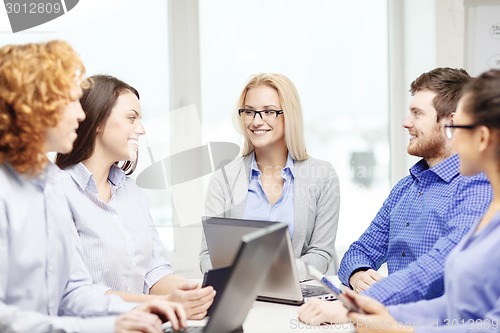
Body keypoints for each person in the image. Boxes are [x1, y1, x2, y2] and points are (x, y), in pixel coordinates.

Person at [0, 40, 186, 333]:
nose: (81, 114)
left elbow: (72, 290)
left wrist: (139, 309)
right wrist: (107, 326)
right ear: (35, 104)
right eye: (70, 101)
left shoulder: (47, 184)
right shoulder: (14, 191)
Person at [298, 67, 493, 324]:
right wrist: (358, 274)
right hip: (395, 318)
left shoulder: (475, 188)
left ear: (451, 123)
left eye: (417, 113)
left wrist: (361, 306)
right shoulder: (405, 187)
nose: (406, 122)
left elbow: (437, 267)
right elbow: (359, 251)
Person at [55, 75, 215, 320]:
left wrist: (194, 293)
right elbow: (75, 293)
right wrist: (160, 304)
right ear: (97, 121)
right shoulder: (58, 193)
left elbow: (154, 271)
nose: (141, 129)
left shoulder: (132, 193)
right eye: (131, 118)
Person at [199, 73, 340, 281]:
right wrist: (237, 277)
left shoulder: (323, 175)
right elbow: (207, 256)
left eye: (268, 111)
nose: (256, 121)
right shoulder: (224, 178)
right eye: (249, 111)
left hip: (299, 296)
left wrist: (277, 274)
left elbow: (321, 254)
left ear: (289, 115)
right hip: (239, 292)